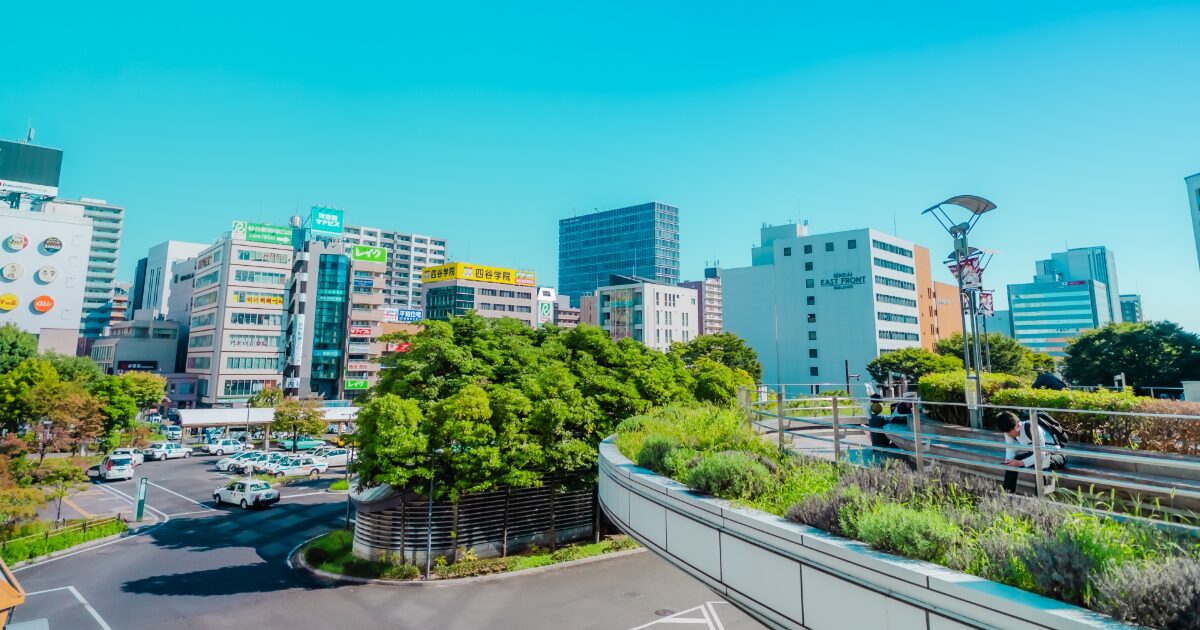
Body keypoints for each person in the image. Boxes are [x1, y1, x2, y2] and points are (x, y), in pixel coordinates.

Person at [996, 411, 1066, 493]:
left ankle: (1039, 499)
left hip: (1056, 455)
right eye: (1006, 432)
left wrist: (1021, 463)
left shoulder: (1032, 428)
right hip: (1038, 454)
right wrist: (1008, 461)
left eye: (1009, 432)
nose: (1008, 435)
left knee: (1042, 463)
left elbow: (1041, 455)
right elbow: (1010, 450)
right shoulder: (1008, 431)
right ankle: (1007, 494)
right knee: (1012, 463)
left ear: (1017, 425)